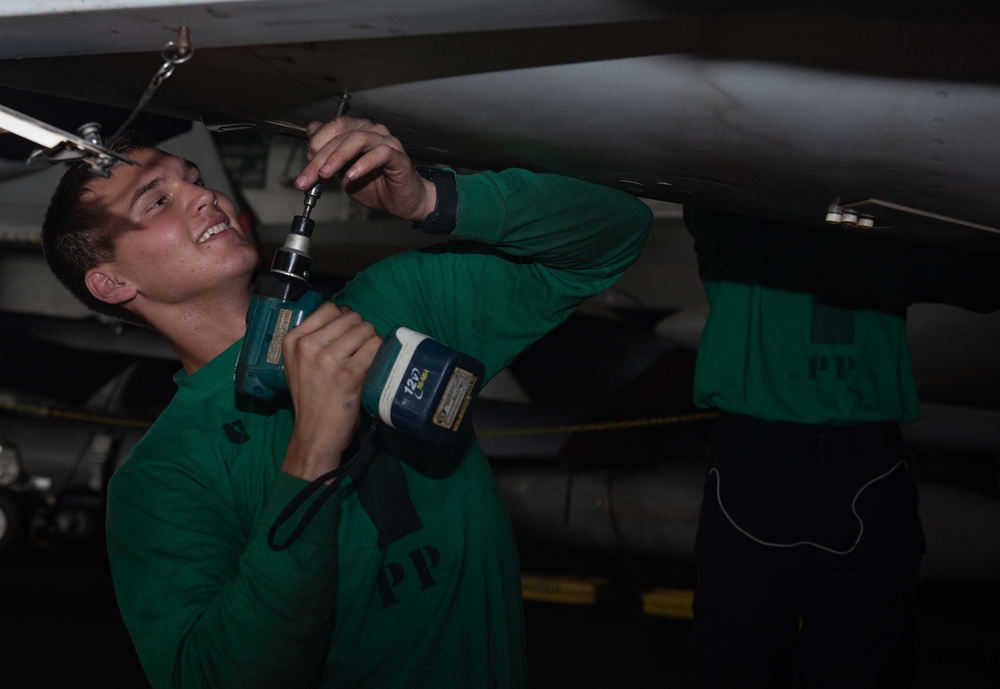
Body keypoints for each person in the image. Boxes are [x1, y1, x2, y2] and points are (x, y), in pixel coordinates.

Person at [41, 116, 652, 688]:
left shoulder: (395, 302)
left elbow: (617, 231)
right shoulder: (161, 479)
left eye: (193, 179)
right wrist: (311, 453)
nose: (205, 196)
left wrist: (428, 200)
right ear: (114, 282)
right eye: (157, 200)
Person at [684, 205, 1000, 688]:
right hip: (760, 471)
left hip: (861, 473)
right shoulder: (739, 214)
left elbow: (982, 282)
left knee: (866, 662)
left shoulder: (889, 227)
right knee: (736, 661)